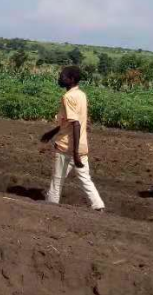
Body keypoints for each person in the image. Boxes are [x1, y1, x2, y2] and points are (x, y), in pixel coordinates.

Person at [40, 66, 105, 211]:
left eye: (62, 76)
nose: (59, 78)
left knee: (57, 181)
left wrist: (74, 153)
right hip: (81, 145)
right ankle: (98, 206)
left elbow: (75, 124)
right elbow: (71, 122)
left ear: (71, 79)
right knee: (85, 179)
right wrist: (52, 133)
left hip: (67, 147)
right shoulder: (81, 95)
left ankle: (50, 207)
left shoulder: (68, 97)